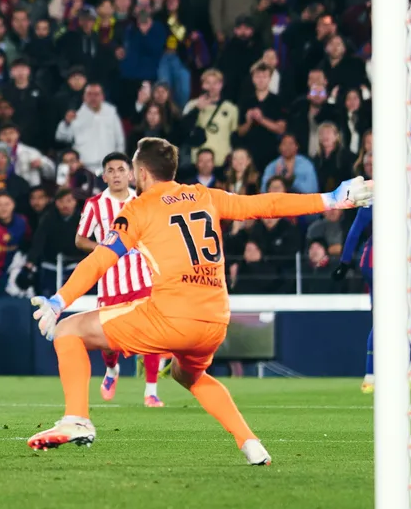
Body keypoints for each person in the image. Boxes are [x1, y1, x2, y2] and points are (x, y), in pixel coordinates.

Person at [27, 137, 372, 464]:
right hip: (215, 321)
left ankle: (77, 419)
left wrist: (60, 300)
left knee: (69, 330)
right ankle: (250, 443)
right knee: (187, 374)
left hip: (170, 316)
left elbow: (101, 258)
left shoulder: (138, 208)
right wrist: (331, 198)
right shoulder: (204, 195)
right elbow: (264, 205)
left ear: (142, 173)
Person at [74, 152, 164, 407]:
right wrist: (103, 250)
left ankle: (151, 391)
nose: (116, 174)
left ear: (131, 174)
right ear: (104, 176)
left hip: (142, 280)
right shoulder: (95, 205)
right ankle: (112, 370)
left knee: (151, 335)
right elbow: (80, 239)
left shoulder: (145, 201)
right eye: (110, 170)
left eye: (121, 169)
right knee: (109, 341)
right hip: (110, 283)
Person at [335, 204, 411, 393]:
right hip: (384, 259)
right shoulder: (387, 201)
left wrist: (344, 262)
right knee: (404, 316)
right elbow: (406, 230)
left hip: (377, 259)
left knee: (392, 318)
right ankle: (394, 375)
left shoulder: (375, 202)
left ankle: (373, 376)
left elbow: (354, 233)